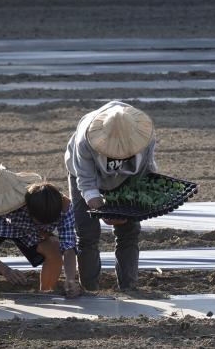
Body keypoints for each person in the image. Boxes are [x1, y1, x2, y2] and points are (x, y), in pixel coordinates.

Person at [65, 101, 157, 290]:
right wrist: (100, 209)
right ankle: (90, 287)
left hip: (125, 179)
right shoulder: (85, 139)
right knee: (86, 233)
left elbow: (144, 174)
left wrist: (128, 208)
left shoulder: (145, 136)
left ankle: (129, 286)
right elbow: (86, 181)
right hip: (84, 176)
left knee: (129, 232)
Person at [0, 165, 79, 296]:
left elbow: (69, 247)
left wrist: (70, 279)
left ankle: (46, 294)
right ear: (28, 210)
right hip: (0, 226)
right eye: (40, 221)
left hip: (27, 229)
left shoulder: (64, 206)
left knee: (54, 247)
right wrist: (5, 270)